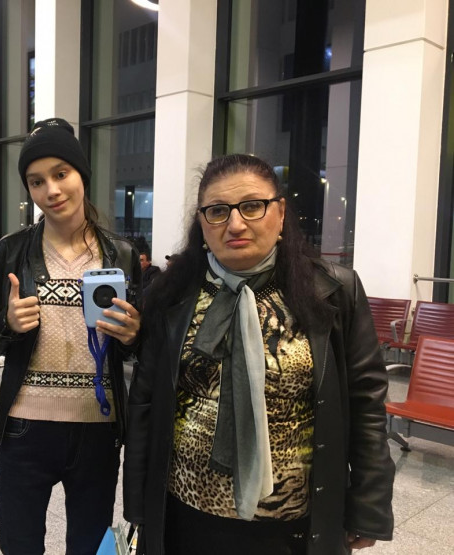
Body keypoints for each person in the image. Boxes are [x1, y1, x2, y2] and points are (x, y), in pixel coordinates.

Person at [123, 153, 394, 555]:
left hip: (292, 523)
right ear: (202, 223)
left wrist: (369, 506)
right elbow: (144, 403)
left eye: (252, 206)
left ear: (280, 213)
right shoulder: (172, 294)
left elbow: (366, 402)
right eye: (218, 211)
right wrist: (138, 505)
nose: (235, 224)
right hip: (186, 516)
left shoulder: (333, 291)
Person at [0, 118, 142, 555]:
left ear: (81, 174)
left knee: (89, 546)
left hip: (98, 428)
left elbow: (139, 348)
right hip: (25, 427)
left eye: (61, 174)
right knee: (19, 545)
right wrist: (7, 324)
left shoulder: (121, 254)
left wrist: (132, 335)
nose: (51, 190)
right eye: (36, 181)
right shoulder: (11, 251)